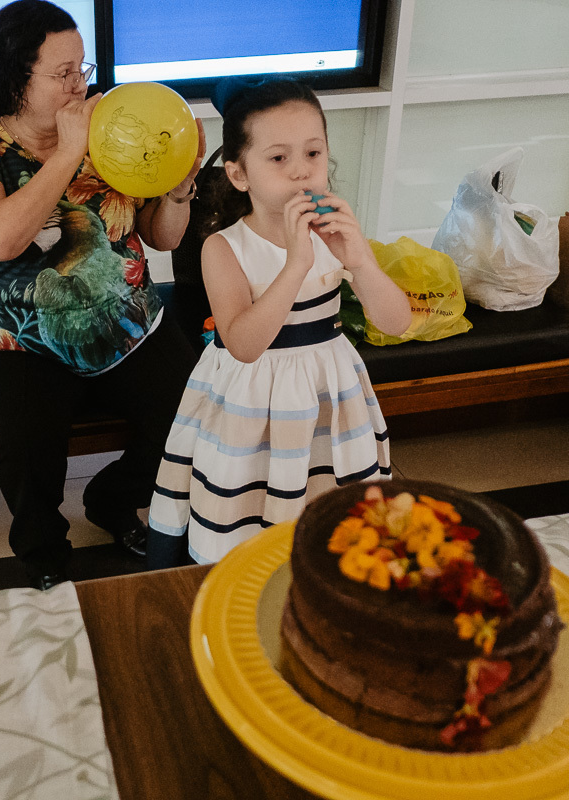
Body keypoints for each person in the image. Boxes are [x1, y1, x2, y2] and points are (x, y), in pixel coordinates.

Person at [0, 0, 203, 590]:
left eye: (81, 69)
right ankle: (43, 553)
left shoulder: (113, 131)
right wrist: (67, 150)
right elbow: (3, 240)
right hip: (22, 334)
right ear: (14, 76)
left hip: (126, 317)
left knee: (193, 415)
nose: (79, 84)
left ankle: (113, 501)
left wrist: (179, 187)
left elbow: (159, 237)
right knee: (31, 440)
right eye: (62, 74)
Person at [146, 77, 412, 567]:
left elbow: (396, 322)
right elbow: (243, 344)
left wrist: (362, 262)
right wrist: (296, 263)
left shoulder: (335, 232)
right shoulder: (223, 247)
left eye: (313, 154)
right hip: (251, 402)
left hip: (328, 394)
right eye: (278, 158)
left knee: (328, 508)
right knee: (248, 510)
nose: (300, 173)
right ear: (239, 174)